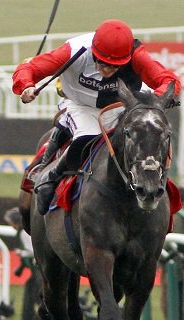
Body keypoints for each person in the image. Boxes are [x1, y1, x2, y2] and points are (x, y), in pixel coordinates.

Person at [13, 19, 181, 215]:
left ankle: (157, 184)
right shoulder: (74, 50)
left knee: (148, 138)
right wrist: (26, 85)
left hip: (124, 106)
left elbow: (169, 81)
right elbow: (29, 68)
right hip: (82, 106)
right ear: (93, 51)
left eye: (114, 66)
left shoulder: (137, 54)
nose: (107, 70)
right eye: (102, 63)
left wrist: (155, 101)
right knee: (86, 139)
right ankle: (52, 175)